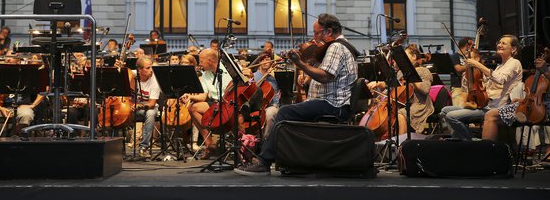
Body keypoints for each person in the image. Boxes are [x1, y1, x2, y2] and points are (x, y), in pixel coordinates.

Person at [234, 13, 358, 175]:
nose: (313, 38)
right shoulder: (335, 47)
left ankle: (264, 163)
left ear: (328, 31)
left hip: (333, 106)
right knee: (287, 112)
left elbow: (325, 76)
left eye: (316, 33)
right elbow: (321, 73)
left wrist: (299, 63)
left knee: (285, 112)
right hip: (329, 103)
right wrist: (306, 69)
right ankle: (283, 159)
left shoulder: (336, 47)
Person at [440, 35, 523, 140]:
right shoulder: (499, 66)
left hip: (498, 107)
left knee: (451, 116)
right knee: (445, 110)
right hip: (487, 104)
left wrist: (478, 64)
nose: (499, 45)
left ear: (514, 48)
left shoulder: (514, 63)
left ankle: (470, 141)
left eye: (504, 43)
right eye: (499, 43)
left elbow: (500, 79)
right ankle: (461, 138)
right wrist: (472, 76)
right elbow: (487, 84)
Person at [482, 51, 550, 144]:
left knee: (493, 115)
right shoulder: (500, 65)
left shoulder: (514, 63)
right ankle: (489, 152)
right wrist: (523, 100)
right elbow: (541, 94)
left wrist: (546, 71)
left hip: (546, 108)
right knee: (490, 114)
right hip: (535, 105)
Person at [368, 44, 434, 135]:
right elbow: (393, 84)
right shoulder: (401, 72)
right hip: (403, 103)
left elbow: (425, 89)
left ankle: (401, 143)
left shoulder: (423, 71)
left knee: (401, 114)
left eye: (405, 57)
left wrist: (412, 76)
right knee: (390, 114)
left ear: (414, 56)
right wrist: (379, 83)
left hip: (419, 104)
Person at [179, 48, 231, 159]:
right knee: (193, 108)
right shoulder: (205, 74)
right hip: (215, 102)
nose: (199, 63)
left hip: (229, 103)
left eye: (201, 61)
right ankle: (209, 144)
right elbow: (204, 95)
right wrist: (190, 96)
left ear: (210, 61)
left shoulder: (229, 69)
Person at [0, 59, 45, 137]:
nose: (7, 59)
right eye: (7, 58)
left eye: (11, 57)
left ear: (18, 61)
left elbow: (42, 92)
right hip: (3, 107)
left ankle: (10, 135)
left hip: (22, 106)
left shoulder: (27, 76)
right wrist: (1, 109)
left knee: (27, 115)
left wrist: (33, 105)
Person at [133, 56, 161, 158]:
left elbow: (152, 104)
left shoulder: (155, 80)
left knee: (151, 112)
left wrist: (139, 106)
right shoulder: (132, 75)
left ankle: (143, 146)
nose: (151, 70)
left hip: (147, 108)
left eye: (151, 67)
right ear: (140, 70)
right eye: (148, 68)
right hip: (132, 108)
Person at [448, 37, 471, 106]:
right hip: (458, 87)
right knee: (458, 108)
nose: (473, 48)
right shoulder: (455, 56)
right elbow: (458, 69)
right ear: (467, 45)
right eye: (472, 46)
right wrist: (472, 65)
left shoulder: (469, 56)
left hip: (469, 87)